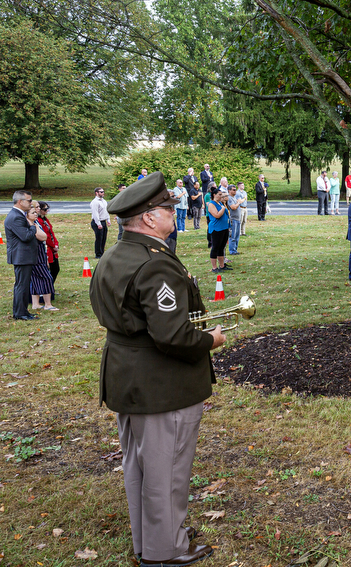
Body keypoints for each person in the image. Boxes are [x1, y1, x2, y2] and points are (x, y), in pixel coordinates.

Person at [89, 171, 224, 567]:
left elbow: (104, 311)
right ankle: (166, 551)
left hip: (127, 377)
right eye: (168, 208)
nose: (174, 211)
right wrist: (211, 339)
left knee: (141, 468)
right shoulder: (155, 264)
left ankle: (150, 540)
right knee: (168, 471)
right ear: (149, 218)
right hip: (162, 383)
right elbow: (173, 337)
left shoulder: (114, 255)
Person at [6, 190, 38, 320]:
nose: (31, 203)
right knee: (21, 285)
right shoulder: (16, 216)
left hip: (23, 256)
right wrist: (33, 227)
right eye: (29, 200)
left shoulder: (19, 215)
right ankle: (20, 313)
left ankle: (23, 311)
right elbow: (25, 236)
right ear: (20, 202)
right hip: (21, 256)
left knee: (24, 285)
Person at [28, 203, 57, 311]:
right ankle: (48, 304)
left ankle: (35, 304)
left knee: (35, 279)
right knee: (47, 278)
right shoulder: (31, 225)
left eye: (36, 212)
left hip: (40, 252)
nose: (36, 214)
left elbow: (44, 236)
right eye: (33, 212)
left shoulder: (36, 223)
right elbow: (43, 236)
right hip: (35, 254)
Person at [205, 187, 231, 274]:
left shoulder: (220, 203)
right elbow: (217, 215)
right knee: (215, 247)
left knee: (222, 247)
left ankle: (222, 265)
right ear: (214, 195)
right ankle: (214, 267)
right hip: (216, 229)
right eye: (219, 195)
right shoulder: (211, 204)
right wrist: (223, 209)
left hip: (224, 228)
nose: (221, 196)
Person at [36, 202, 60, 292]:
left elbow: (51, 232)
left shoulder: (45, 220)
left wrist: (56, 244)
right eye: (45, 209)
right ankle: (46, 289)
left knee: (55, 268)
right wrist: (53, 246)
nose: (47, 211)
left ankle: (50, 287)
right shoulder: (39, 221)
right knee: (49, 269)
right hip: (47, 248)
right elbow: (45, 236)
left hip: (52, 248)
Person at [90, 187, 110, 259]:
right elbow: (95, 214)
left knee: (104, 238)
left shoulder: (104, 201)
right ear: (96, 193)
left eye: (103, 191)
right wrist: (98, 224)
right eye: (101, 192)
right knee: (99, 238)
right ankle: (98, 254)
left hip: (103, 221)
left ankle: (102, 252)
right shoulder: (95, 202)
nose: (103, 193)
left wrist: (108, 220)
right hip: (97, 222)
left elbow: (106, 211)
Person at [226, 186, 242, 256]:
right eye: (233, 190)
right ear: (229, 190)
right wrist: (238, 203)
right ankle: (232, 250)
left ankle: (235, 249)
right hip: (233, 219)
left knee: (237, 235)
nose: (235, 191)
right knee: (233, 236)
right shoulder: (229, 198)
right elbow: (233, 207)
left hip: (238, 219)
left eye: (235, 190)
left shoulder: (234, 198)